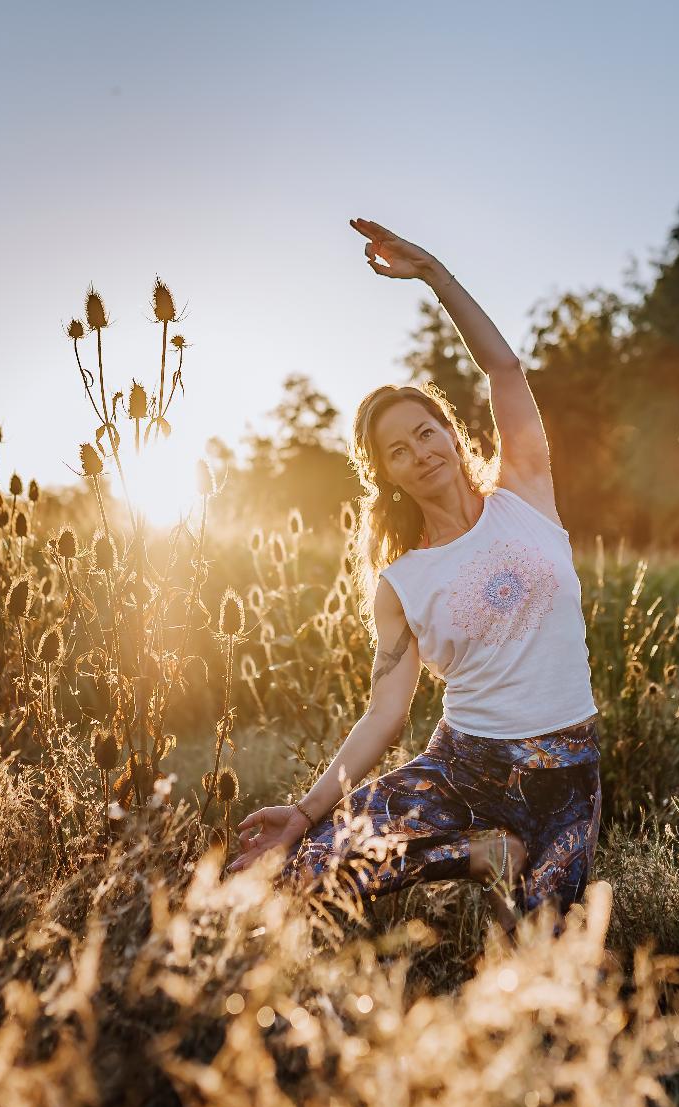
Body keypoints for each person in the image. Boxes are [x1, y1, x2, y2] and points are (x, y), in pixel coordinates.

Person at [228, 218, 602, 932]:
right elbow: (386, 715)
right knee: (301, 872)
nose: (420, 452)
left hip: (564, 779)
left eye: (426, 432)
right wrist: (306, 813)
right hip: (462, 770)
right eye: (398, 451)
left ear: (451, 434)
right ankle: (478, 849)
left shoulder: (525, 490)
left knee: (540, 963)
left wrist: (433, 274)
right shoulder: (402, 581)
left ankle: (494, 855)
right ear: (389, 477)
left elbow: (505, 371)